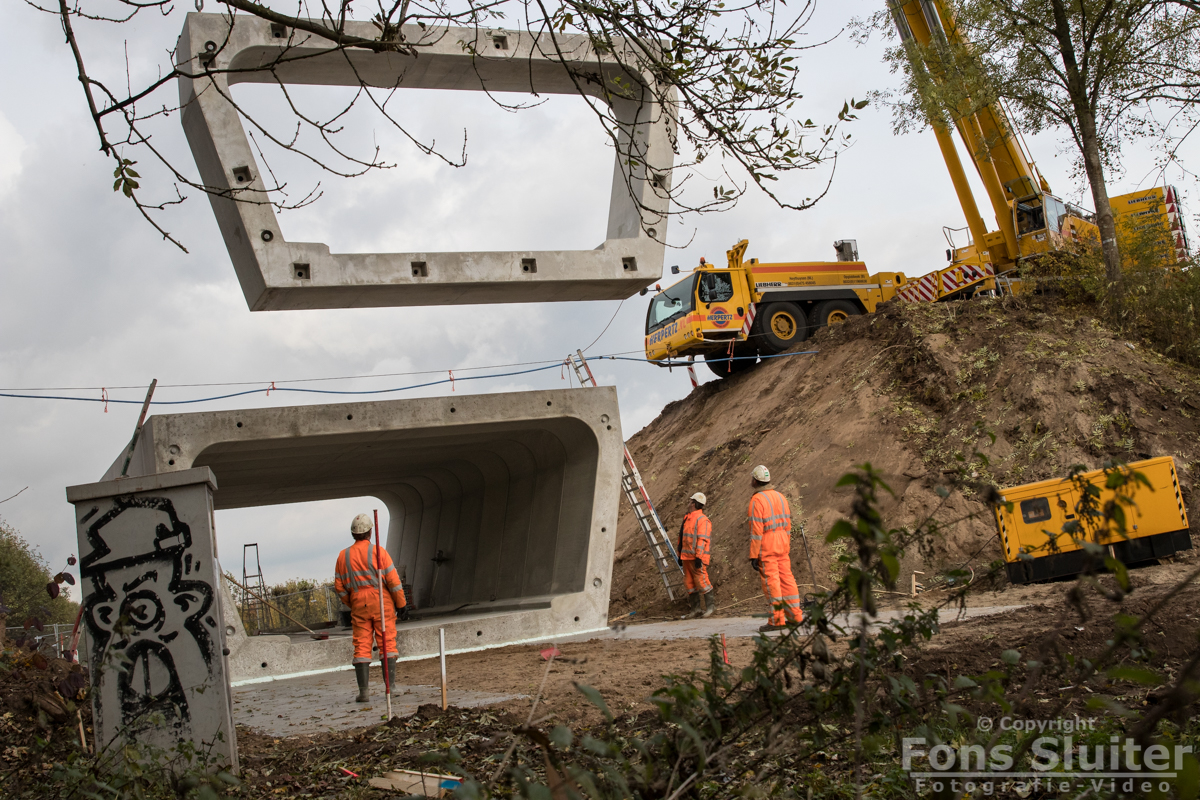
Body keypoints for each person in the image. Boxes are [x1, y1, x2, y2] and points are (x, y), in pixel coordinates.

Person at [334, 514, 408, 702]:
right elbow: (393, 581)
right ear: (370, 532)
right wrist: (401, 604)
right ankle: (390, 688)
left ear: (353, 534)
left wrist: (353, 603)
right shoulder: (379, 552)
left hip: (358, 604)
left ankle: (364, 692)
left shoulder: (343, 556)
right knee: (387, 643)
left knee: (361, 646)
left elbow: (339, 587)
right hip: (381, 603)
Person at [747, 465, 803, 632]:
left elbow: (756, 531)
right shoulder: (780, 497)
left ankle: (777, 620)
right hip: (782, 543)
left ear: (756, 481)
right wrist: (786, 543)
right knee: (787, 580)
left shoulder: (757, 500)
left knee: (772, 583)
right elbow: (788, 524)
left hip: (767, 545)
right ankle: (795, 616)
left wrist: (753, 554)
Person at [679, 492, 715, 618]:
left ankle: (710, 607)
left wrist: (699, 557)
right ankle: (696, 610)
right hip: (687, 557)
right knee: (689, 583)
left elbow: (702, 540)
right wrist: (680, 555)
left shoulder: (702, 520)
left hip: (697, 558)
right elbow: (682, 538)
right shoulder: (688, 518)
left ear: (693, 503)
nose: (688, 504)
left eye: (690, 502)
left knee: (702, 581)